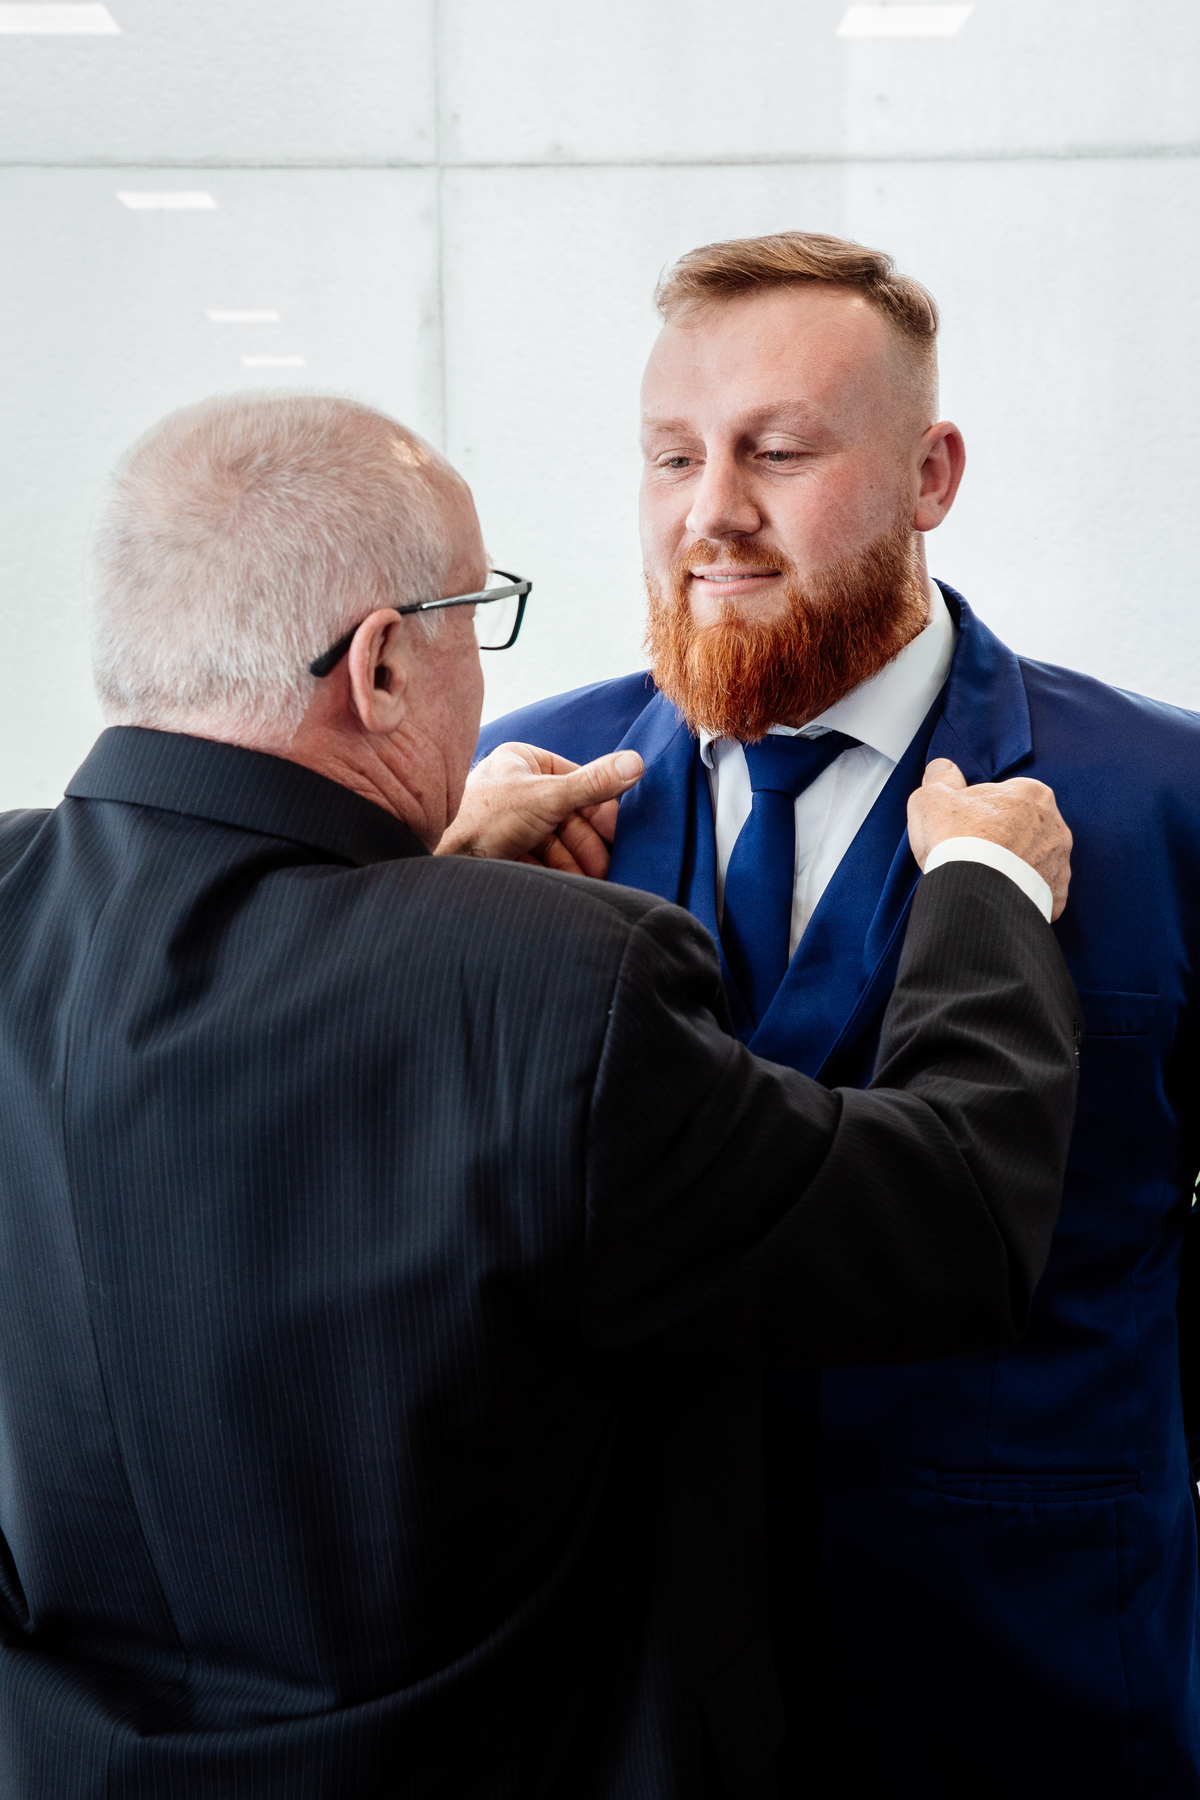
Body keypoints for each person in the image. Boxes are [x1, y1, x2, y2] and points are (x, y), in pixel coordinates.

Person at [0, 391, 1077, 1800]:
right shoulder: (556, 979)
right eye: (472, 614)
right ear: (379, 667)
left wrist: (423, 875)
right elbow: (952, 1219)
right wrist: (989, 888)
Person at [476, 230, 1200, 1796]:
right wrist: (424, 913)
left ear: (932, 475)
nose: (708, 513)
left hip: (1032, 1669)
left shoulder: (1165, 796)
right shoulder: (506, 796)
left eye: (777, 453)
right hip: (624, 1691)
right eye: (672, 456)